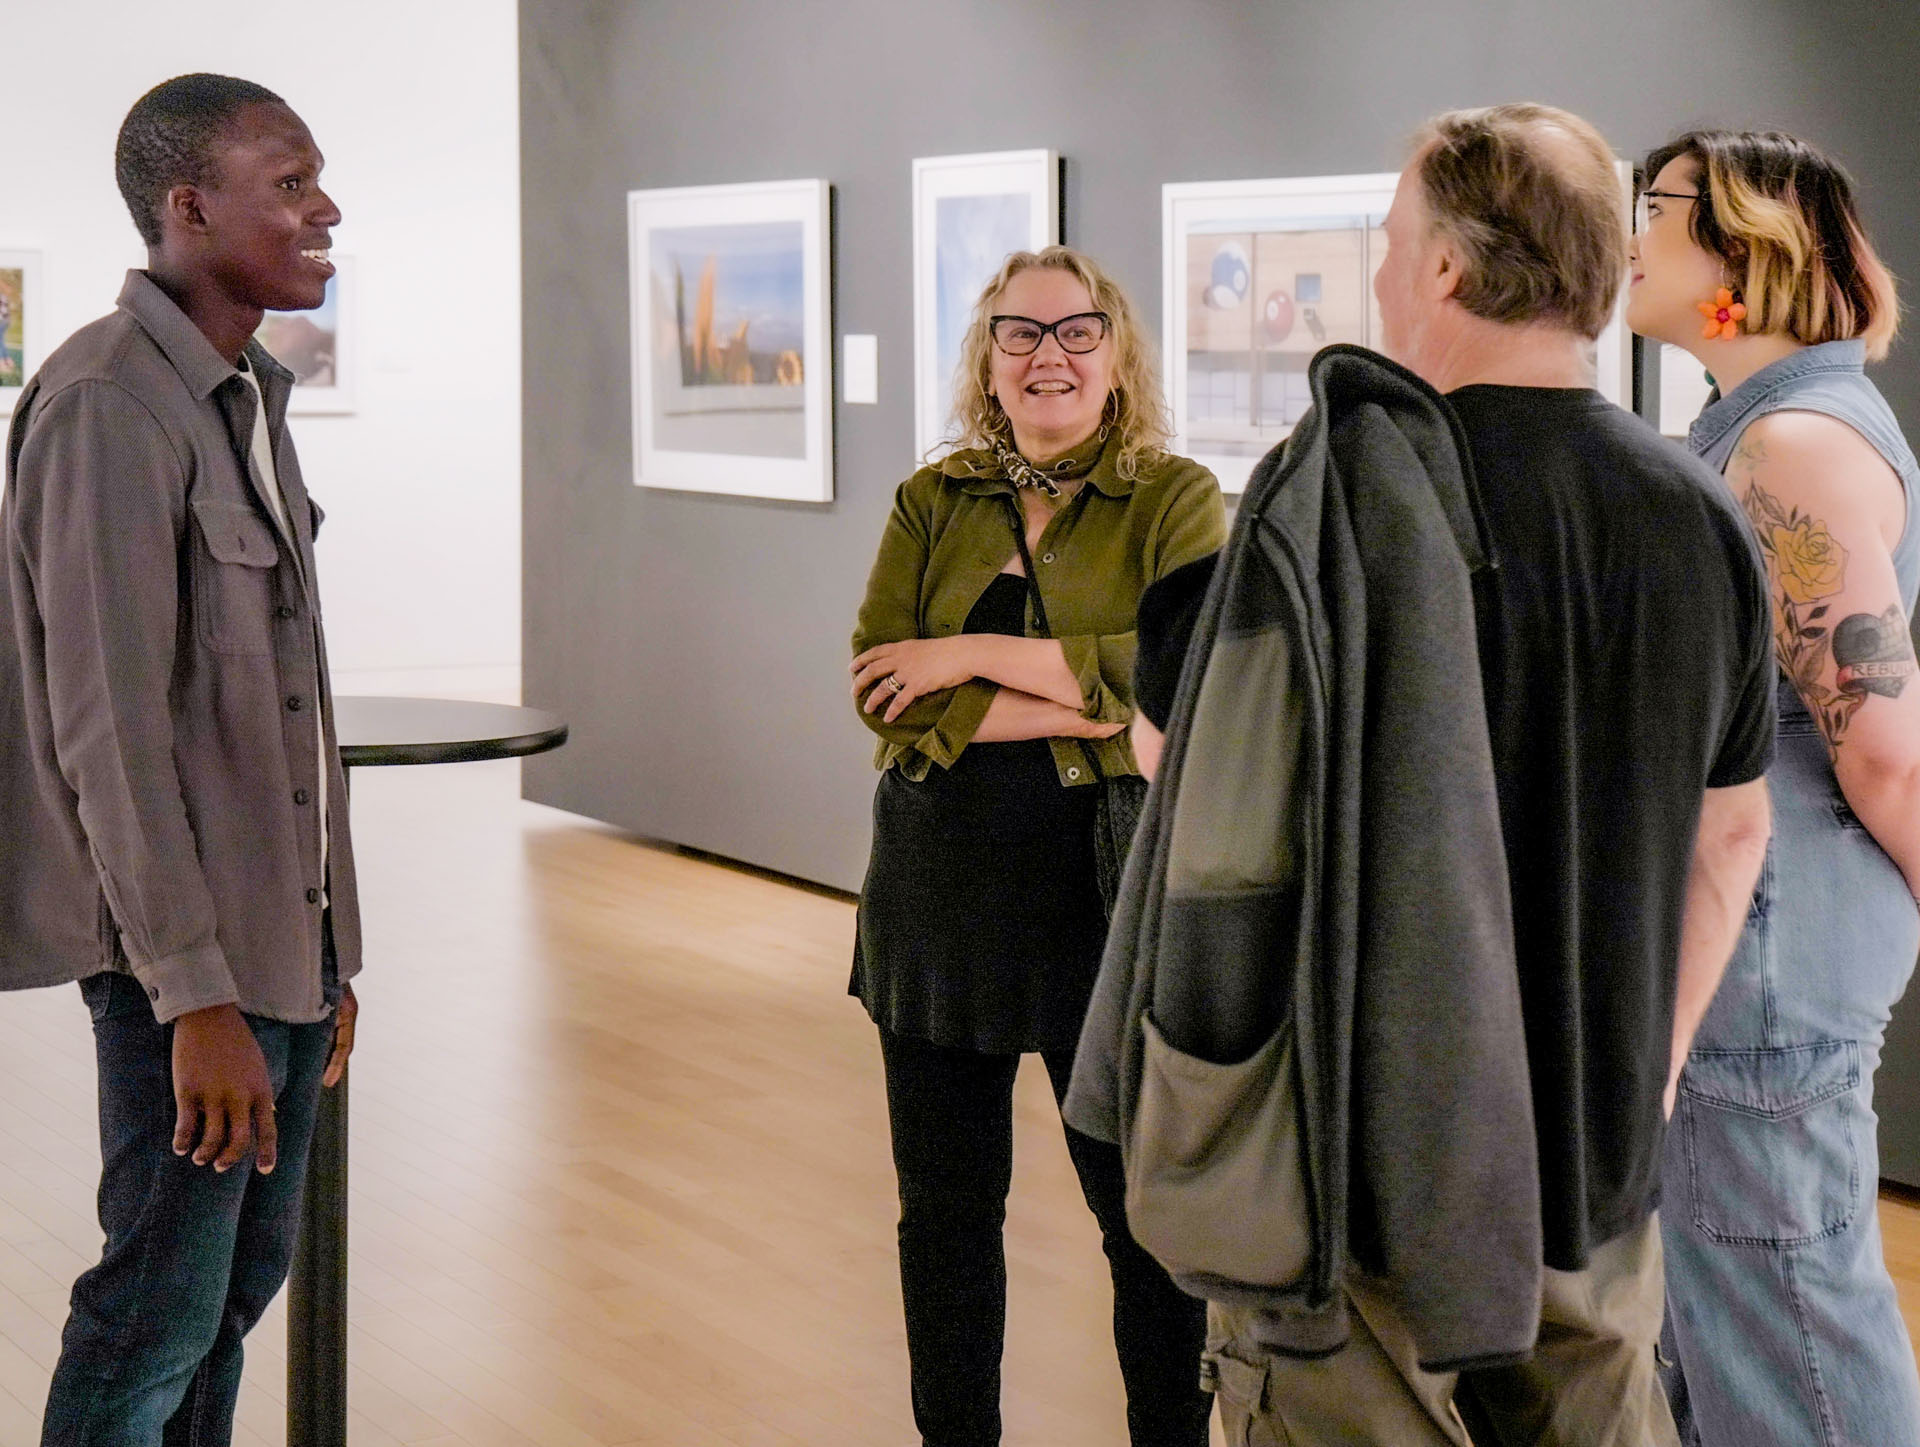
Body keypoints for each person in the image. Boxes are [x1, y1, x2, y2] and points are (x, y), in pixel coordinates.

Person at [1074, 104, 1779, 1446]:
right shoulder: (1703, 514)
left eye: (1395, 241)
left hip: (1366, 1166)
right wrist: (1659, 1053)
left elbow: (1179, 768)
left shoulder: (1333, 506)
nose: (1387, 271)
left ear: (1449, 269)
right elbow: (1731, 833)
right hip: (1595, 1150)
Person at [0, 74, 360, 1446]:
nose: (324, 207)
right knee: (153, 1311)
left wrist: (333, 959)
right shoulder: (105, 400)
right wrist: (193, 997)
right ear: (187, 204)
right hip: (185, 972)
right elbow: (106, 732)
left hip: (281, 950)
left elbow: (283, 711)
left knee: (222, 1303)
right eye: (289, 179)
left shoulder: (246, 396)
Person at [846, 244, 1226, 1447]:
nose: (1048, 355)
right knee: (946, 1214)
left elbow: (1180, 679)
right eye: (1021, 332)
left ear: (1116, 353)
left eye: (1075, 331)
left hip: (1102, 898)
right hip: (935, 895)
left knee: (1142, 1221)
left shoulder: (1175, 497)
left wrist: (960, 653)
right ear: (988, 356)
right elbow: (875, 687)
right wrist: (1087, 696)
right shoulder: (934, 497)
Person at [1627, 128, 1920, 1447]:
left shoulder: (1790, 445)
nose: (1628, 230)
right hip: (1746, 939)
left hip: (1773, 949)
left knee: (1790, 1336)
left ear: (1741, 247)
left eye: (1657, 207)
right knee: (1729, 1322)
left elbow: (1883, 742)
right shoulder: (1745, 423)